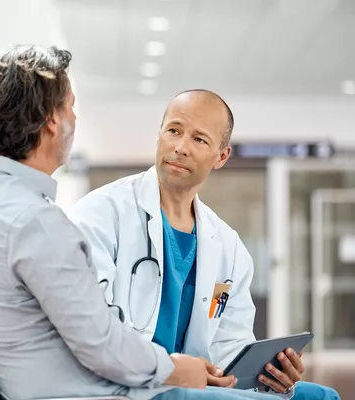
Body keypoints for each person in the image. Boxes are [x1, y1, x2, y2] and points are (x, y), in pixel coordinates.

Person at [0, 46, 283, 400]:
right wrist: (177, 369)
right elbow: (101, 343)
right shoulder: (35, 222)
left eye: (199, 139)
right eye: (70, 106)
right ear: (52, 120)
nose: (75, 119)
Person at [67, 89, 340, 400]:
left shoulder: (228, 246)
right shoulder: (103, 213)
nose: (181, 147)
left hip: (197, 385)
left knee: (319, 396)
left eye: (199, 139)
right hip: (131, 386)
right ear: (159, 136)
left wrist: (271, 376)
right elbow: (90, 327)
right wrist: (169, 367)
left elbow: (229, 346)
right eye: (174, 131)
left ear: (221, 156)